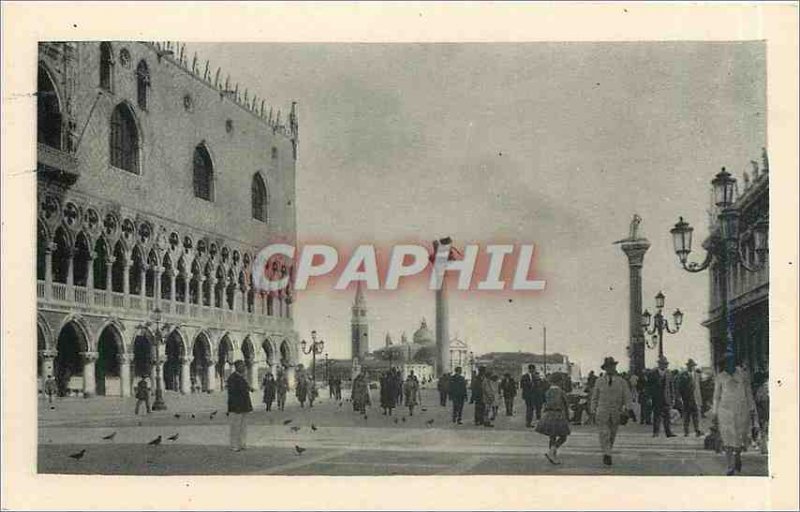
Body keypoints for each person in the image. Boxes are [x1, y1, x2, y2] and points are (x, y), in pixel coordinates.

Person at [712, 357, 758, 475]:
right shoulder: (720, 377)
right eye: (727, 363)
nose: (730, 366)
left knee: (739, 438)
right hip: (725, 412)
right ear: (724, 365)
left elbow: (748, 392)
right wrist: (715, 413)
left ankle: (737, 456)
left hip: (741, 410)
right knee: (727, 438)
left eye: (732, 363)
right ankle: (730, 466)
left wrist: (752, 408)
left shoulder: (742, 375)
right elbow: (716, 396)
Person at [590, 357, 631, 466]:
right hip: (602, 411)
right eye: (608, 367)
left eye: (612, 366)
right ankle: (607, 454)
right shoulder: (599, 381)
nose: (610, 368)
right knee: (604, 433)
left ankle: (607, 451)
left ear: (615, 367)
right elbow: (594, 397)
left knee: (612, 435)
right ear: (605, 368)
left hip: (616, 412)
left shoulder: (622, 382)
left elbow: (627, 396)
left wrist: (627, 409)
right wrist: (592, 410)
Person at [536, 373, 571, 464]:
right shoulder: (561, 392)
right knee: (563, 437)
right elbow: (566, 405)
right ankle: (551, 452)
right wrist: (568, 417)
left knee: (552, 436)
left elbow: (544, 403)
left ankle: (552, 455)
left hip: (548, 414)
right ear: (559, 381)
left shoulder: (547, 392)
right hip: (558, 415)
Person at [227, 360, 253, 452]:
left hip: (244, 406)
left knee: (243, 426)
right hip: (236, 407)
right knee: (235, 427)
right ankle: (234, 445)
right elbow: (233, 393)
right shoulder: (232, 378)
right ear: (237, 367)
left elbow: (246, 388)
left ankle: (242, 444)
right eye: (242, 366)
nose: (244, 368)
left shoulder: (242, 377)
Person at [649, 356, 677, 437]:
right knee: (657, 416)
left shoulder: (669, 373)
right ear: (659, 364)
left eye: (665, 364)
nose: (664, 366)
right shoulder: (652, 374)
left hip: (667, 398)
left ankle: (668, 432)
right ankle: (656, 432)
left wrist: (673, 397)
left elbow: (671, 387)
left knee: (667, 416)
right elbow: (649, 386)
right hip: (656, 398)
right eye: (662, 364)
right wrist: (650, 397)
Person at [678, 359, 704, 437]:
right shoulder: (683, 375)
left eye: (693, 366)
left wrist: (701, 398)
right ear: (687, 366)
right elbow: (680, 387)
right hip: (687, 399)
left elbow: (701, 387)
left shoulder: (697, 375)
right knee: (687, 416)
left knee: (696, 416)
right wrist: (681, 397)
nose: (692, 367)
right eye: (690, 366)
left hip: (696, 398)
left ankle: (697, 430)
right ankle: (686, 431)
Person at [753, 371, 769, 455]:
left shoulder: (760, 389)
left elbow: (758, 401)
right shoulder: (764, 388)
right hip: (765, 413)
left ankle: (764, 448)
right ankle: (764, 448)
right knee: (764, 430)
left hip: (763, 413)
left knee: (764, 431)